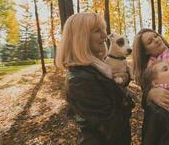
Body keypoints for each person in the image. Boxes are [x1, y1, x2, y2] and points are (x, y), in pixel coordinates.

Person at [56, 13, 133, 145]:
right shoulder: (80, 80)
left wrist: (125, 80)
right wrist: (128, 100)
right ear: (80, 38)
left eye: (104, 29)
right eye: (97, 30)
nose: (104, 35)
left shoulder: (98, 67)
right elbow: (113, 126)